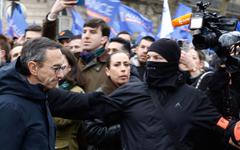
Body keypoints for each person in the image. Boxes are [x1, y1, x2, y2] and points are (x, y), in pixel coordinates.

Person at [48, 38, 240, 150]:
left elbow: (222, 126)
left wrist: (234, 130)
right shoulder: (132, 90)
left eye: (158, 58)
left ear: (172, 62)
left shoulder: (193, 98)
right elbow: (90, 107)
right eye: (149, 58)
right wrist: (46, 96)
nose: (152, 63)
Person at [0, 37, 100, 150]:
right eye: (56, 68)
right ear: (33, 68)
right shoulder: (10, 107)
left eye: (62, 68)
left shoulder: (41, 95)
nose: (61, 75)